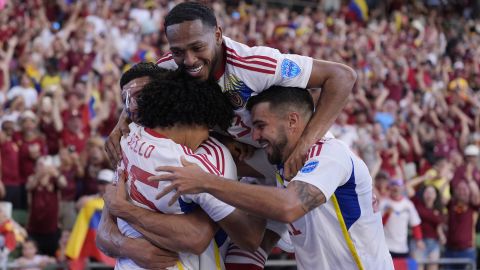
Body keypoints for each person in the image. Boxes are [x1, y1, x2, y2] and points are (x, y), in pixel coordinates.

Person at [106, 1, 356, 181]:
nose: (189, 60)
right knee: (249, 243)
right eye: (178, 51)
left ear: (217, 35)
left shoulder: (257, 65)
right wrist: (121, 124)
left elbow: (342, 76)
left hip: (295, 151)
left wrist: (304, 145)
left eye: (197, 47)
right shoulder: (169, 66)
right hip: (248, 157)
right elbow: (138, 91)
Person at [150, 86, 393, 269]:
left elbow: (288, 206)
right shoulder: (278, 165)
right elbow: (233, 164)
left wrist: (205, 181)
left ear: (292, 120)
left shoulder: (330, 154)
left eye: (260, 126)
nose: (254, 137)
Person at [97, 62, 277, 270]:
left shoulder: (129, 139)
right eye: (128, 100)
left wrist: (124, 210)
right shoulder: (131, 137)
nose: (134, 106)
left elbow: (195, 238)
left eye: (142, 96)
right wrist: (126, 246)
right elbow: (104, 232)